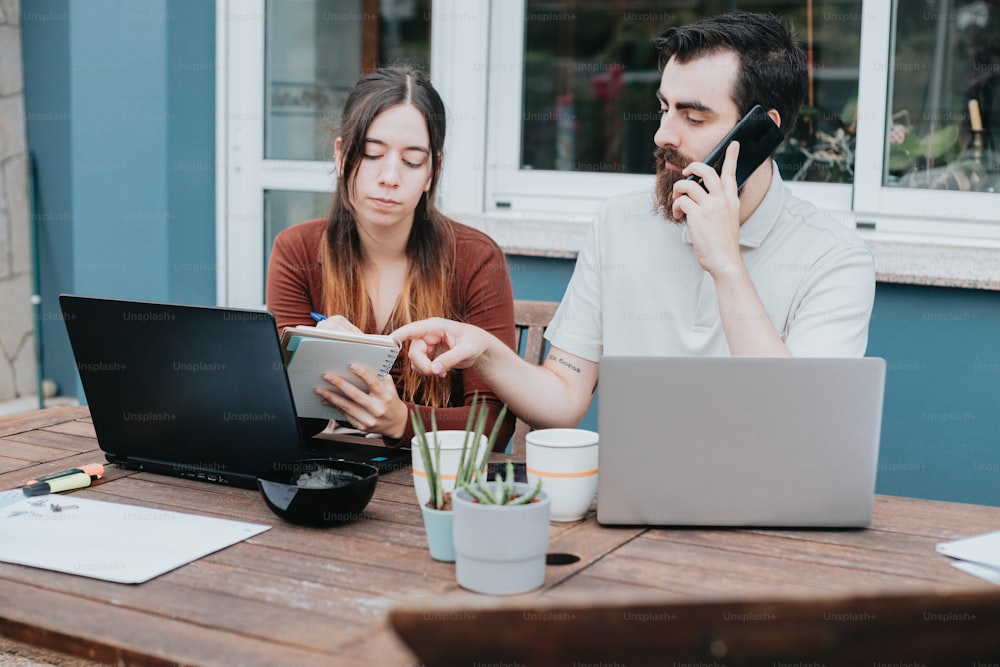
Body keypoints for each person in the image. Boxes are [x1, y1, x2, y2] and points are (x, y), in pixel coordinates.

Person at [393, 12, 876, 430]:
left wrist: (726, 265)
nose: (664, 133)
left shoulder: (835, 259)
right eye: (665, 107)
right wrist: (484, 351)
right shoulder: (618, 224)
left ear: (761, 133)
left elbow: (798, 425)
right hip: (632, 512)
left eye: (694, 116)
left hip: (767, 519)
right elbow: (564, 397)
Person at [266, 66, 516, 448]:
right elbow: (279, 417)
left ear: (433, 171)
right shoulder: (296, 250)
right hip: (333, 474)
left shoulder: (476, 258)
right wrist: (308, 364)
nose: (389, 177)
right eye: (371, 153)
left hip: (434, 485)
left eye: (413, 161)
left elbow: (494, 424)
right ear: (340, 154)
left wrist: (403, 421)